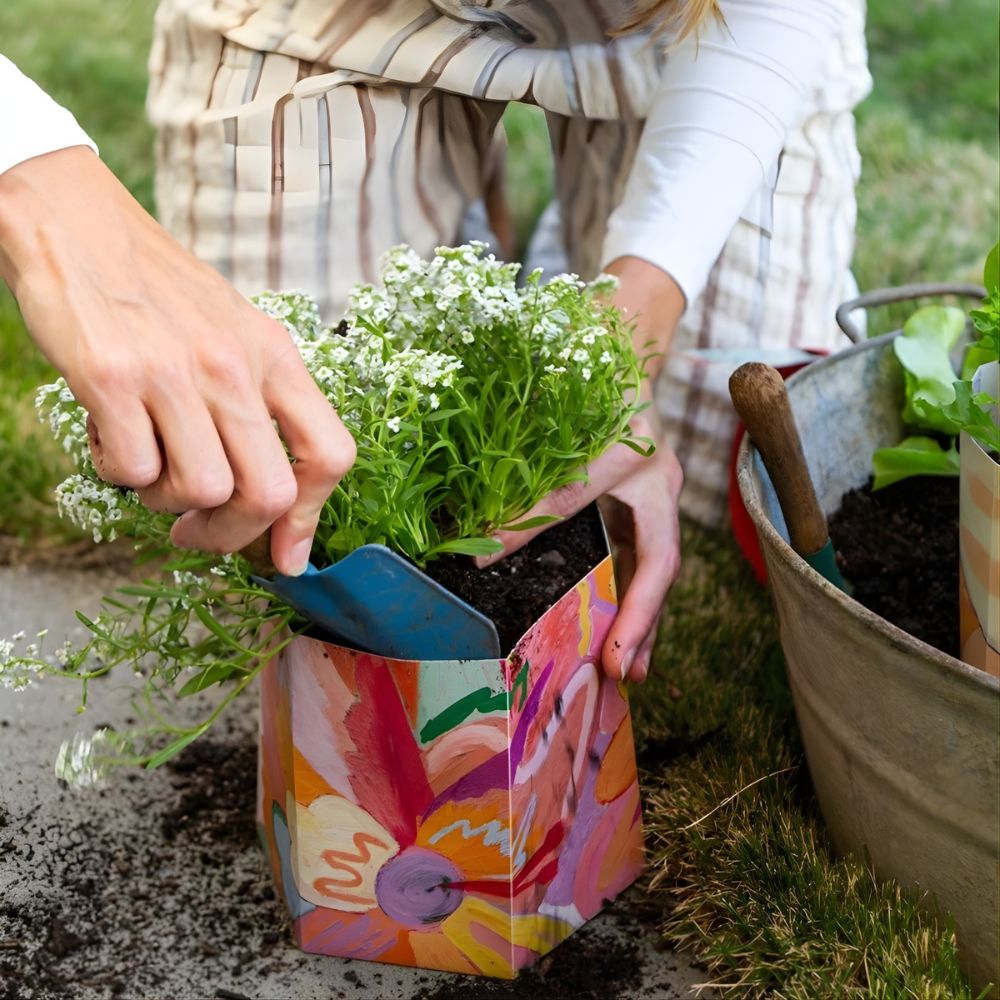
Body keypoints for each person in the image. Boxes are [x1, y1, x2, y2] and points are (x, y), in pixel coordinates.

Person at [0, 0, 871, 683]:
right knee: (282, 459)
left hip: (682, 20)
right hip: (336, 14)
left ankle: (556, 266)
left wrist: (627, 337)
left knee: (705, 466)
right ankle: (461, 231)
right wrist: (48, 194)